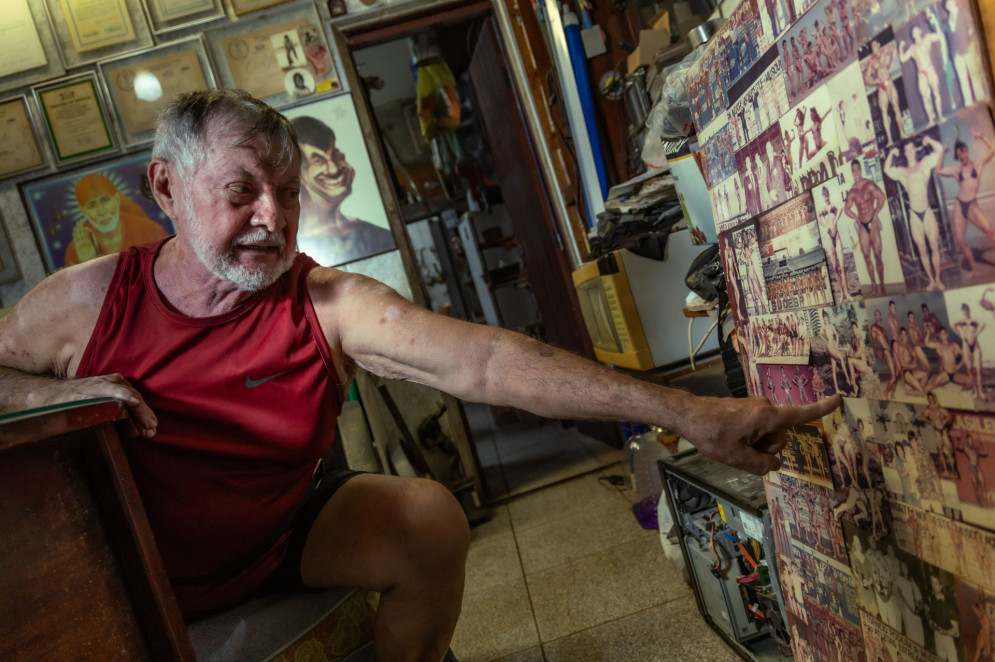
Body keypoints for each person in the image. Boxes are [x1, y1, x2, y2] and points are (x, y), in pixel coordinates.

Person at [0, 89, 840, 662]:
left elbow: (480, 359)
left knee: (425, 518)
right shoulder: (82, 302)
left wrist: (688, 414)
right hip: (115, 573)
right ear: (165, 188)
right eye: (241, 190)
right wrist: (52, 396)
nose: (273, 215)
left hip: (268, 544)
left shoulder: (322, 303)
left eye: (286, 192)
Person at [291, 115, 395, 266]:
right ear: (297, 174)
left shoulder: (381, 236)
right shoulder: (293, 252)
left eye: (336, 156)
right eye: (318, 161)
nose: (334, 169)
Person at [65, 173, 168, 266]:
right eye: (91, 205)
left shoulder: (152, 231)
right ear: (83, 211)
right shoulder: (76, 250)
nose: (101, 211)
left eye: (105, 200)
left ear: (117, 199)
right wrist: (88, 261)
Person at [884, 137, 946, 291]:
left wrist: (929, 140)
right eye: (907, 150)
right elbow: (886, 169)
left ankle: (938, 279)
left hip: (927, 211)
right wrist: (892, 152)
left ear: (915, 150)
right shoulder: (903, 172)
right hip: (914, 214)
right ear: (904, 153)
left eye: (912, 149)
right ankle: (931, 281)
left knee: (934, 244)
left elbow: (940, 150)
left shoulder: (924, 164)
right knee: (922, 248)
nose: (910, 152)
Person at [936, 132, 995, 277]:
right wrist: (943, 151)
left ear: (967, 151)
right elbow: (938, 170)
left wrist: (981, 137)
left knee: (991, 232)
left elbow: (993, 149)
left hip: (972, 205)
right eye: (959, 155)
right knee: (961, 242)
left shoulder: (978, 164)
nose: (962, 157)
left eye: (963, 152)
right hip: (959, 204)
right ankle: (974, 270)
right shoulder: (957, 170)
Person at [844, 160, 889, 296]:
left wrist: (876, 213)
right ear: (852, 173)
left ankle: (882, 287)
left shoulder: (869, 185)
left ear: (861, 170)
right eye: (854, 170)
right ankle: (874, 287)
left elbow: (881, 197)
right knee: (867, 257)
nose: (856, 172)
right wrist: (856, 218)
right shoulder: (852, 192)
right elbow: (847, 209)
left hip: (872, 222)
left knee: (878, 255)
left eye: (858, 169)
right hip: (862, 226)